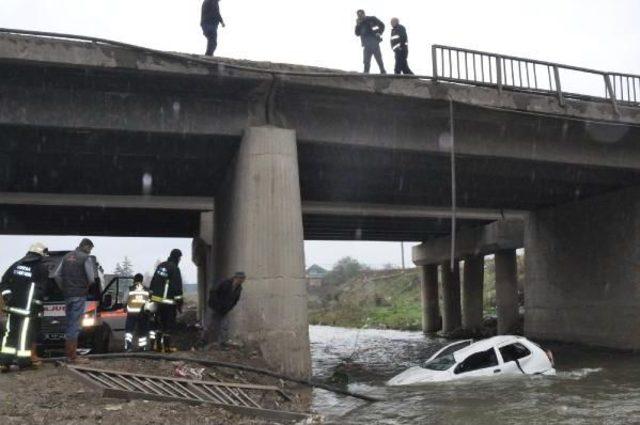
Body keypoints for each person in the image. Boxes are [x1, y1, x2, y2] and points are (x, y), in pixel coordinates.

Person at [0, 243, 49, 372]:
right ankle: (23, 362)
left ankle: (4, 362)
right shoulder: (41, 268)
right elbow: (41, 290)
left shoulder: (16, 264)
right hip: (27, 309)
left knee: (10, 334)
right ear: (41, 254)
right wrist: (38, 308)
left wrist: (7, 296)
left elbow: (4, 281)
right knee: (24, 335)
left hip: (12, 307)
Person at [54, 238, 96, 364]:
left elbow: (56, 275)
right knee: (75, 325)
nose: (90, 252)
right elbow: (92, 279)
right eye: (90, 249)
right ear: (87, 246)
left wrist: (64, 287)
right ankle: (72, 356)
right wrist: (83, 286)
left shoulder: (66, 257)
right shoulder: (85, 258)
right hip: (79, 295)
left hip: (68, 295)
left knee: (69, 324)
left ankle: (69, 354)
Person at [149, 249, 184, 352]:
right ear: (177, 257)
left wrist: (151, 296)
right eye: (180, 258)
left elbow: (154, 280)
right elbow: (177, 287)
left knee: (159, 324)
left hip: (156, 301)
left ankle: (158, 346)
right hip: (168, 302)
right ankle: (167, 347)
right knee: (168, 325)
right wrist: (179, 302)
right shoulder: (175, 268)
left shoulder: (161, 266)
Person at [208, 272, 246, 342]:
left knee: (224, 326)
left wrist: (229, 308)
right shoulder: (225, 283)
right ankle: (206, 340)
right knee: (213, 325)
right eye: (241, 278)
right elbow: (213, 292)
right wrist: (216, 305)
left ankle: (222, 343)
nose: (242, 281)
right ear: (236, 278)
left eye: (243, 279)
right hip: (216, 307)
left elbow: (235, 300)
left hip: (225, 310)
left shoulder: (239, 288)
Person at [124, 274, 151, 352]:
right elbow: (149, 301)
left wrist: (124, 307)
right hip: (143, 314)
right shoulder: (147, 290)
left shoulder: (130, 289)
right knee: (143, 331)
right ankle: (142, 348)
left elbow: (124, 300)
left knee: (129, 331)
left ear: (134, 280)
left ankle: (128, 347)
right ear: (142, 280)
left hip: (132, 313)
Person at [355, 9, 386, 74]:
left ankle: (383, 71)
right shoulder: (360, 23)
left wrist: (379, 32)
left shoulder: (372, 18)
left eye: (361, 14)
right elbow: (357, 33)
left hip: (374, 42)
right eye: (358, 15)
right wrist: (357, 25)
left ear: (364, 14)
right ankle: (366, 73)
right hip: (366, 44)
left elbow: (382, 25)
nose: (360, 16)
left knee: (378, 58)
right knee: (366, 60)